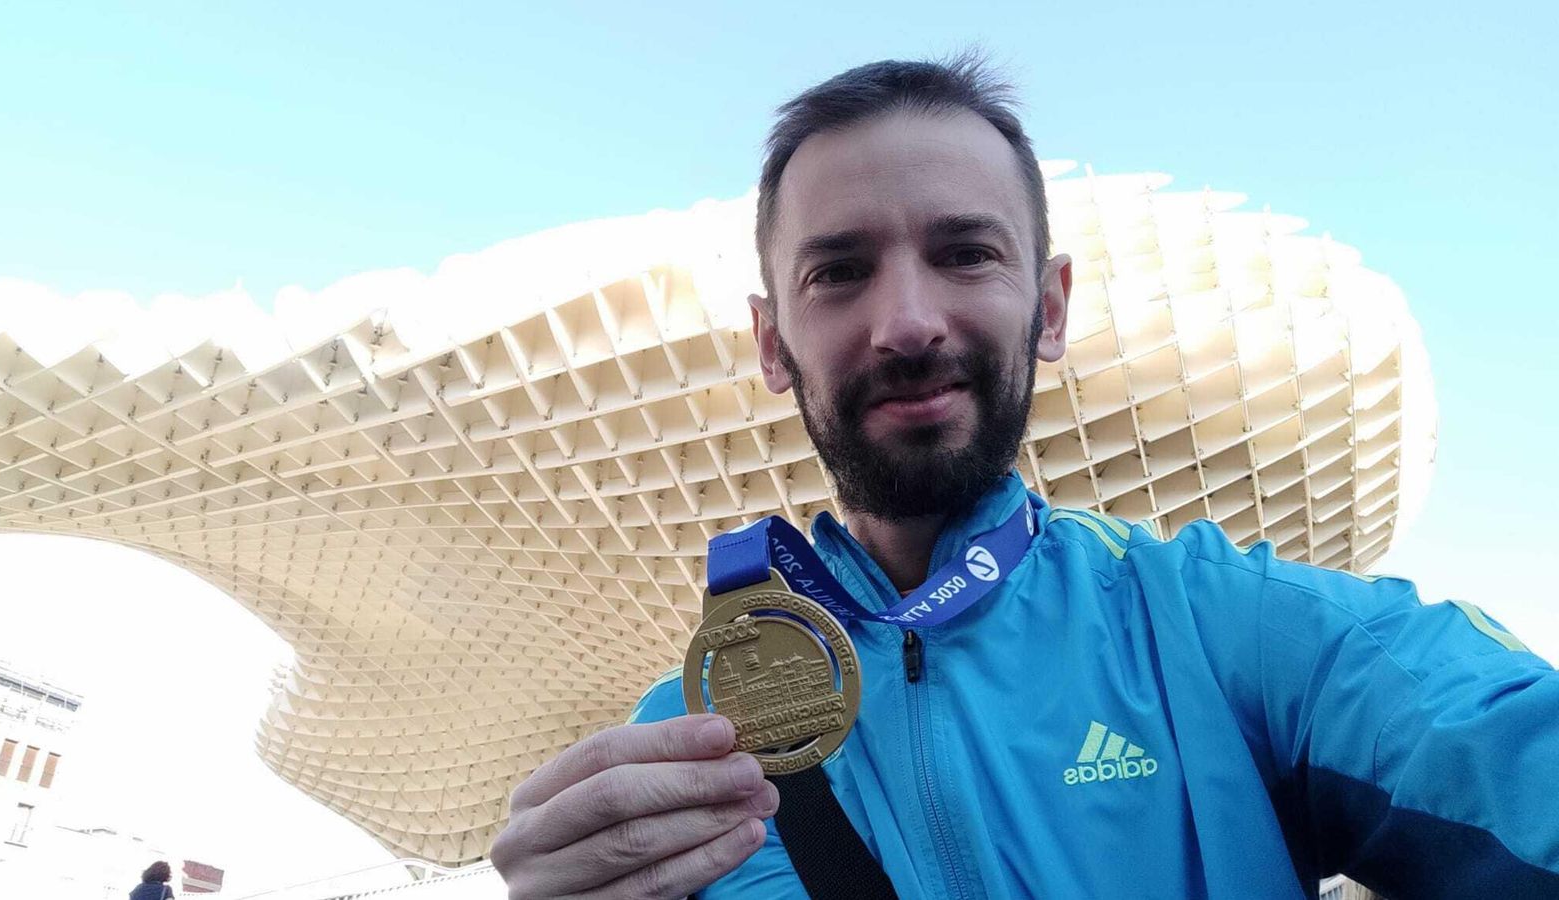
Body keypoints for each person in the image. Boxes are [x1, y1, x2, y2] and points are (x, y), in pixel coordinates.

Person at [489, 56, 1559, 899]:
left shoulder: (1221, 633)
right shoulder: (688, 755)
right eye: (839, 272)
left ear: (1048, 308)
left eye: (965, 253)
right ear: (772, 344)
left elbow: (1495, 744)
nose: (907, 323)